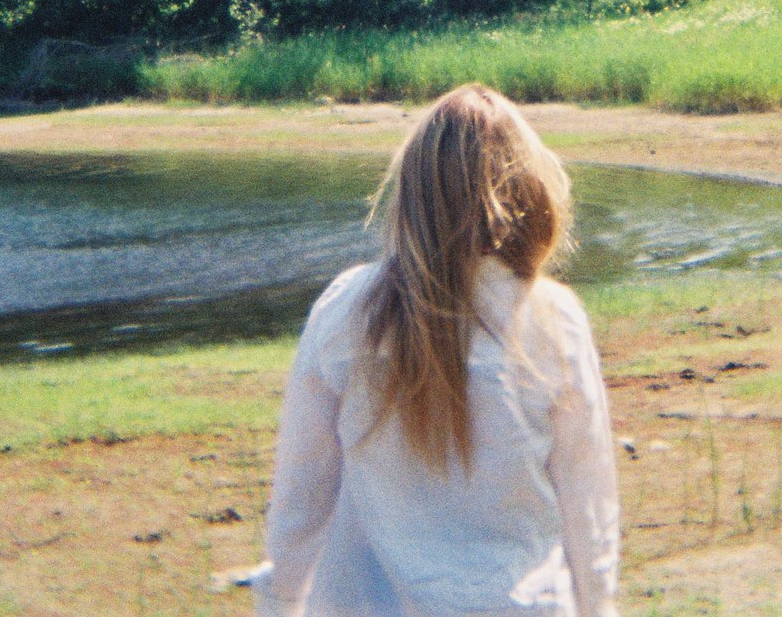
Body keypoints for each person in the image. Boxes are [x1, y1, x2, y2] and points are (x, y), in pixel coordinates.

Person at [250, 84, 621, 617]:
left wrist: (280, 602)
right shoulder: (551, 318)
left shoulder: (347, 309)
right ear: (527, 188)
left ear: (412, 190)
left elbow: (301, 497)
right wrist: (599, 607)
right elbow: (588, 504)